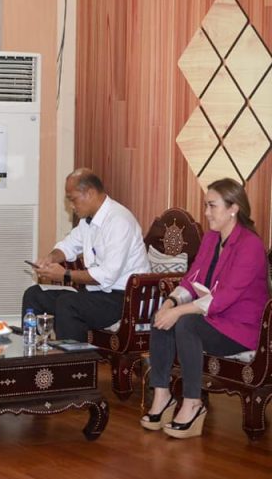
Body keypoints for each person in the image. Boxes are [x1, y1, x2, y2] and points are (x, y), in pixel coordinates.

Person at [141, 178, 268, 438]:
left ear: (233, 208)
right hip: (213, 320)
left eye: (212, 206)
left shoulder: (250, 245)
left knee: (186, 323)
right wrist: (170, 303)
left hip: (239, 329)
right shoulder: (211, 238)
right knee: (161, 317)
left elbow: (224, 298)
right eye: (206, 205)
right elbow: (192, 279)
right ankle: (163, 396)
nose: (207, 212)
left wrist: (179, 312)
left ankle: (193, 403)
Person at [22, 168, 150, 341]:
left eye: (72, 199)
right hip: (96, 294)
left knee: (68, 304)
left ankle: (73, 358)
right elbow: (68, 246)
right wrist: (49, 259)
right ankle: (32, 353)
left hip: (124, 299)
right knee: (34, 294)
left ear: (90, 193)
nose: (71, 206)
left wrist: (65, 274)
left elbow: (107, 275)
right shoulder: (87, 221)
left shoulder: (119, 221)